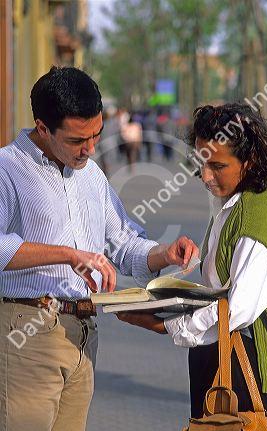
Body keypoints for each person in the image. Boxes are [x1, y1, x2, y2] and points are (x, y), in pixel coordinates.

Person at [0, 66, 199, 431]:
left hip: (84, 334)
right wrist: (68, 254)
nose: (91, 149)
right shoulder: (7, 169)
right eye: (78, 140)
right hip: (27, 333)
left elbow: (124, 243)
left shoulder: (91, 174)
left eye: (96, 135)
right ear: (43, 128)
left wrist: (165, 253)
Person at [117, 103, 267, 431]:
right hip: (218, 353)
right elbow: (222, 280)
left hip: (246, 365)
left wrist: (165, 326)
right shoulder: (233, 201)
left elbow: (238, 307)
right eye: (201, 162)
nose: (206, 176)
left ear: (249, 162)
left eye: (218, 166)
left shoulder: (260, 215)